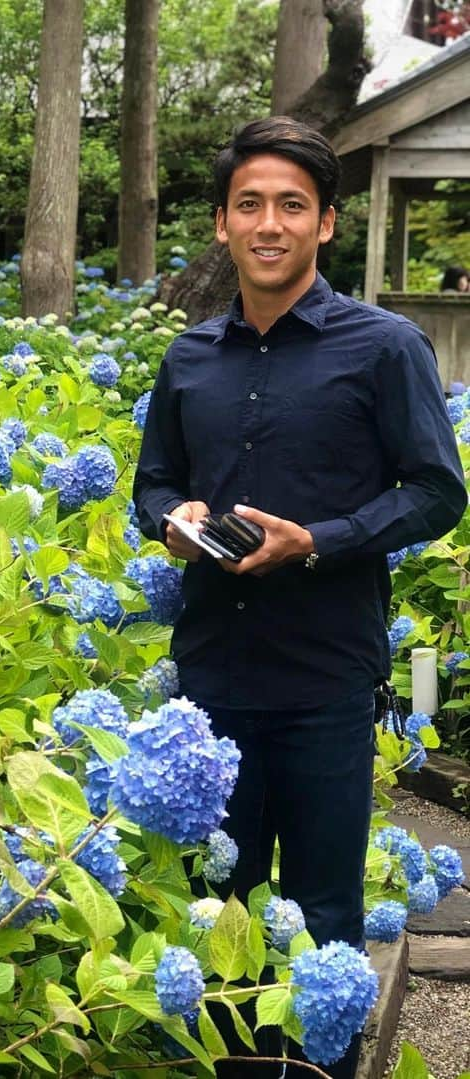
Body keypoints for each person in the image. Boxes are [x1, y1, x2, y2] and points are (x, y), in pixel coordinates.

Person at [132, 117, 467, 1079]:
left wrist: (318, 541)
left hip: (325, 674)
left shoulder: (385, 347)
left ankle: (321, 1072)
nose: (268, 223)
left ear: (325, 224)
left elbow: (437, 490)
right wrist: (172, 514)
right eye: (250, 205)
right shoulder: (189, 356)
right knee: (217, 905)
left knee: (324, 910)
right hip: (211, 675)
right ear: (222, 224)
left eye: (291, 205)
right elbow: (151, 483)